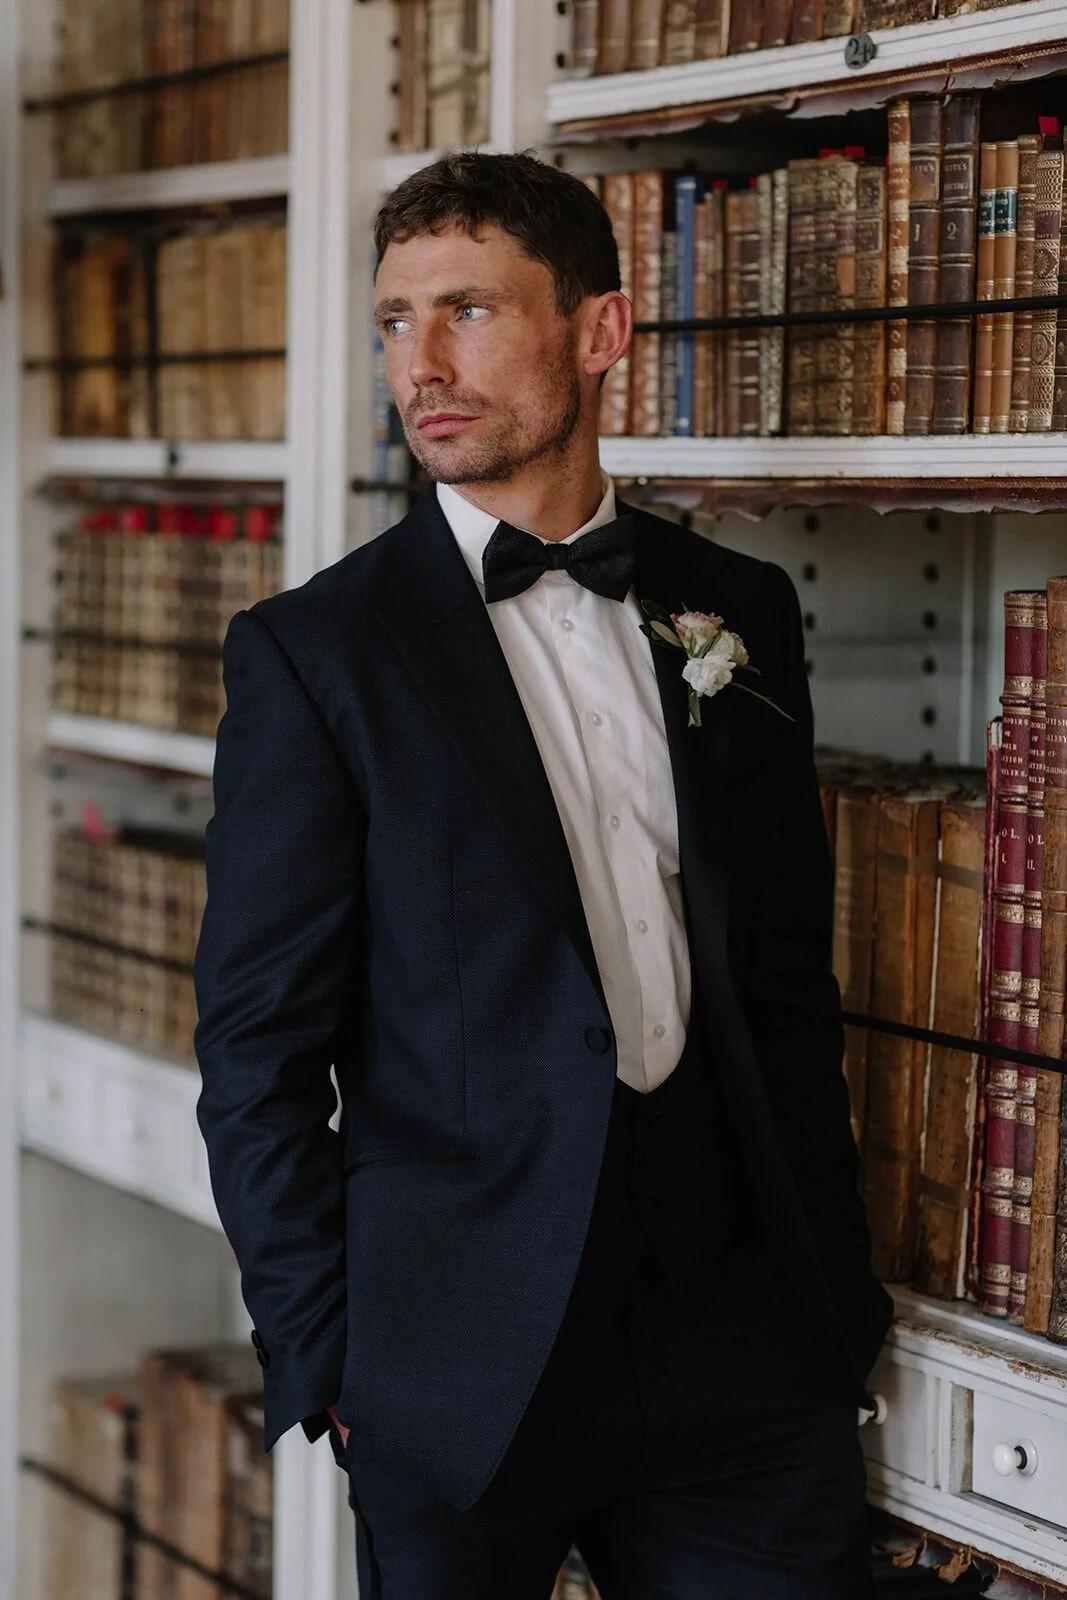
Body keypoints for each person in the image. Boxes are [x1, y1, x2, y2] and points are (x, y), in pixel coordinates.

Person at [194, 150, 893, 1599]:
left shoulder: (739, 609)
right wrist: (323, 1350)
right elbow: (258, 1050)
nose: (421, 365)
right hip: (454, 1371)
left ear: (599, 330)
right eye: (395, 321)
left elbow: (781, 977)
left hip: (745, 1353)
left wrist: (832, 1296)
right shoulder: (314, 657)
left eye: (468, 310)